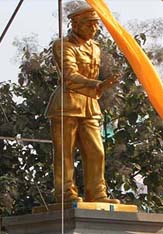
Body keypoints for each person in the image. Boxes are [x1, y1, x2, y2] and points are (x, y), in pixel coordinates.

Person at [45, 3, 121, 205]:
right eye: (89, 24)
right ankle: (66, 193)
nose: (94, 29)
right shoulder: (63, 45)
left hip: (89, 105)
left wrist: (100, 86)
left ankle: (97, 194)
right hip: (67, 104)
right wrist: (98, 84)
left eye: (96, 25)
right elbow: (69, 76)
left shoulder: (95, 47)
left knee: (96, 151)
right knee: (65, 153)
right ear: (76, 24)